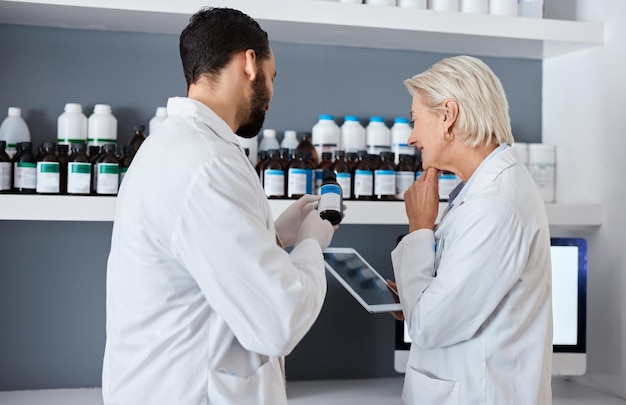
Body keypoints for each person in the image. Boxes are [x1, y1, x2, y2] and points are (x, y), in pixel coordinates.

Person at [101, 7, 336, 405]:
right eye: (272, 76)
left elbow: (200, 258)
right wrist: (313, 243)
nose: (272, 94)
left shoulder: (174, 146)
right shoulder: (206, 163)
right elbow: (280, 319)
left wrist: (274, 234)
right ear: (249, 63)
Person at [389, 55, 552, 404]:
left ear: (448, 116)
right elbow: (458, 301)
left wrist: (419, 228)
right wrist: (414, 297)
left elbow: (429, 327)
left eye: (415, 121)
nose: (411, 138)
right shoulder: (479, 193)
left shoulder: (495, 205)